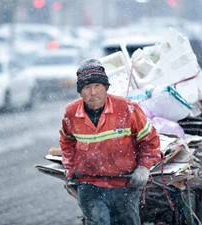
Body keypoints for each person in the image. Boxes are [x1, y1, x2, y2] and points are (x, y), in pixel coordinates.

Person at [59, 58, 162, 225]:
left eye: (97, 86)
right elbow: (67, 141)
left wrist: (143, 168)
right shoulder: (71, 113)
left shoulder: (127, 109)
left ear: (106, 88)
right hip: (90, 184)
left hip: (125, 183)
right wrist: (70, 167)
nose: (93, 92)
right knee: (98, 221)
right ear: (80, 92)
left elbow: (149, 140)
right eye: (87, 87)